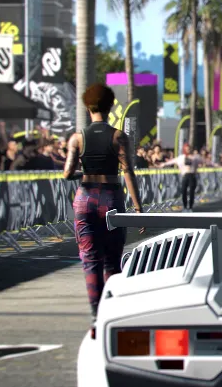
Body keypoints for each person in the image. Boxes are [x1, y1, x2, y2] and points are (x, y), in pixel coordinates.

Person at [63, 83, 145, 321]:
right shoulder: (118, 137)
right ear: (110, 107)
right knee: (112, 260)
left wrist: (86, 172)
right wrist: (138, 209)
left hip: (85, 198)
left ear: (87, 107)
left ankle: (95, 315)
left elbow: (67, 173)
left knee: (90, 260)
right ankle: (111, 312)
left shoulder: (77, 139)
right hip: (111, 197)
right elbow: (128, 172)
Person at [159, 143, 203, 212]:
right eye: (186, 149)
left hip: (192, 175)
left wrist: (213, 164)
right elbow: (172, 161)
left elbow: (204, 161)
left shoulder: (195, 157)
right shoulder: (181, 157)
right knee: (183, 191)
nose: (188, 150)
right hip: (185, 176)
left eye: (189, 149)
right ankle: (185, 207)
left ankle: (190, 207)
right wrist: (164, 164)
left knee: (191, 192)